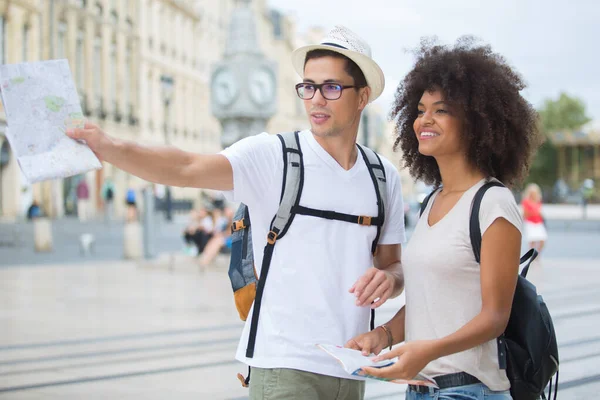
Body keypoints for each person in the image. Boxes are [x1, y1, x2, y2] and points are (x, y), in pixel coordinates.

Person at [66, 25, 406, 400]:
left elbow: (393, 265)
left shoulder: (382, 176)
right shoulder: (274, 156)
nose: (316, 100)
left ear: (363, 97)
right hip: (283, 365)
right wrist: (109, 146)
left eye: (331, 87)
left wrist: (390, 280)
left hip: (350, 365)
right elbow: (185, 167)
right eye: (307, 87)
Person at [346, 37, 541, 400]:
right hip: (421, 389)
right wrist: (383, 335)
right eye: (420, 110)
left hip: (469, 390)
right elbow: (427, 299)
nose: (425, 120)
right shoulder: (431, 201)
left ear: (478, 121)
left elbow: (495, 317)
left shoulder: (493, 203)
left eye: (442, 110)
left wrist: (428, 350)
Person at [521, 183, 547, 254]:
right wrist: (534, 213)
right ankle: (532, 255)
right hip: (530, 223)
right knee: (532, 241)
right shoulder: (526, 201)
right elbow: (526, 214)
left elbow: (540, 212)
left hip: (538, 222)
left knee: (542, 239)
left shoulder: (538, 201)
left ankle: (537, 254)